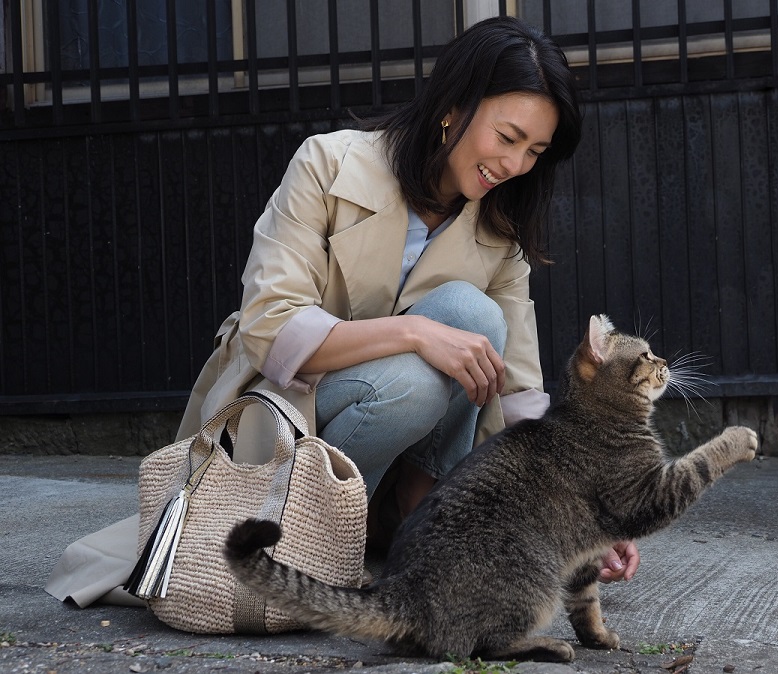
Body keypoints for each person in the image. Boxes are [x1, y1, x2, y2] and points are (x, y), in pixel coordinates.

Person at [45, 15, 637, 609]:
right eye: (506, 138)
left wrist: (581, 518)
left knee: (473, 314)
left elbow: (514, 391)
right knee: (417, 377)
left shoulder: (499, 231)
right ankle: (312, 532)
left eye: (534, 151)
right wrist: (416, 331)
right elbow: (269, 324)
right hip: (283, 419)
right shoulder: (328, 165)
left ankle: (417, 518)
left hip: (406, 458)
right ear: (454, 108)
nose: (514, 165)